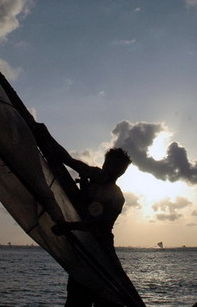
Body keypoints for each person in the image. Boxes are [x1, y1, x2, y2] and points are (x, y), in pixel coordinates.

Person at [33, 123, 131, 306]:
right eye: (106, 165)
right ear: (103, 164)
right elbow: (66, 159)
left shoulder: (117, 197)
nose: (105, 171)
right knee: (77, 298)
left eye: (113, 169)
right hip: (83, 249)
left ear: (120, 173)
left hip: (102, 251)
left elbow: (98, 226)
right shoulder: (93, 174)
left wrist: (67, 226)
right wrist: (45, 135)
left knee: (108, 299)